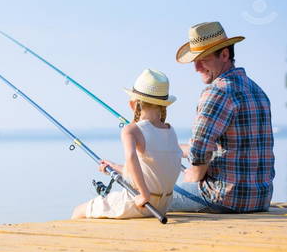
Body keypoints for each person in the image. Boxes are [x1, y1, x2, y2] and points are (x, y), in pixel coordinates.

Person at [168, 21, 275, 213]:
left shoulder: (217, 92)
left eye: (203, 59)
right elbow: (234, 147)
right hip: (261, 198)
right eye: (194, 60)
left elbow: (200, 153)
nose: (196, 68)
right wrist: (172, 147)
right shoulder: (257, 91)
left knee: (148, 196)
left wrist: (192, 177)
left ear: (225, 54)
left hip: (223, 197)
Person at [71, 69, 182, 219]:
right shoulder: (170, 131)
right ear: (164, 105)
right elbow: (152, 171)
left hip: (140, 204)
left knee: (79, 211)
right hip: (162, 206)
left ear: (133, 104)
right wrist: (114, 167)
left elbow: (131, 157)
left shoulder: (131, 130)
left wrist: (143, 194)